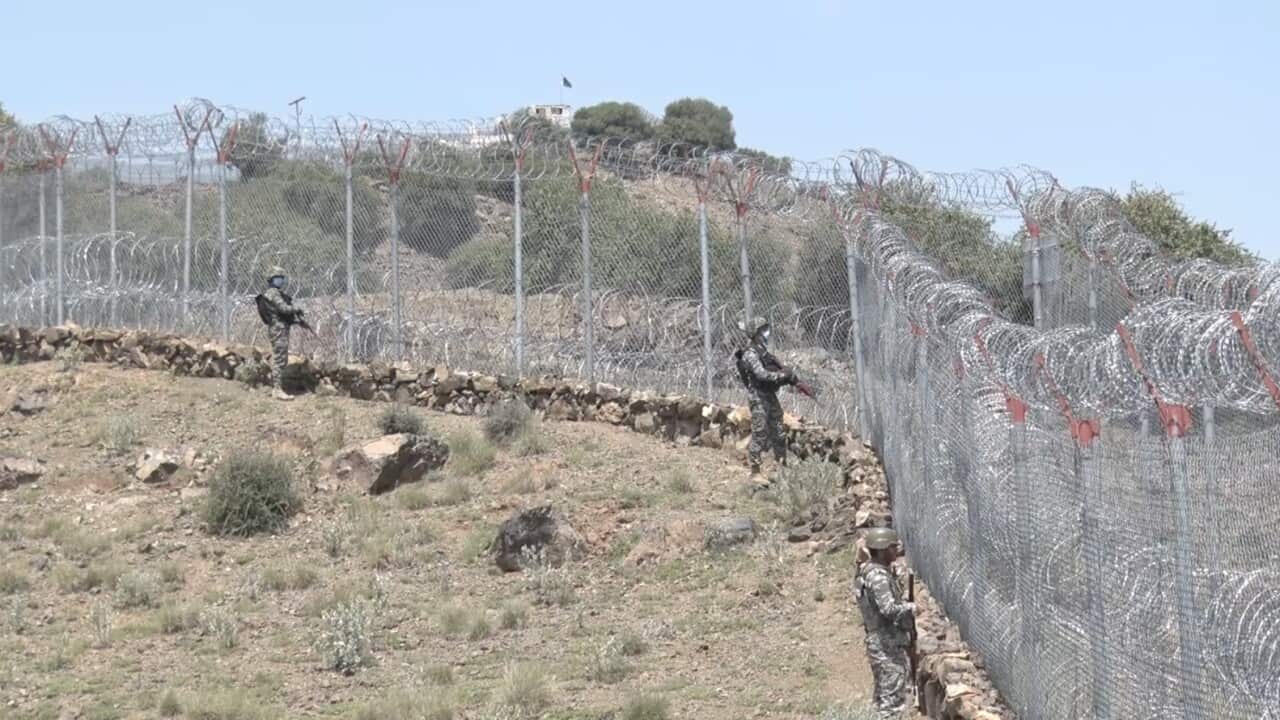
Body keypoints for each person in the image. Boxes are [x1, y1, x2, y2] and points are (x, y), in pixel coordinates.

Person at [854, 526, 917, 719]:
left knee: (883, 697)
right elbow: (888, 609)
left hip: (881, 642)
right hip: (886, 644)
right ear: (881, 550)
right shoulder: (878, 577)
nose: (895, 551)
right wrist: (911, 608)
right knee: (892, 703)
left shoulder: (869, 571)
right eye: (891, 547)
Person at [735, 316, 795, 481]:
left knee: (779, 430)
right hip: (758, 397)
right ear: (756, 333)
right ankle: (755, 471)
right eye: (763, 330)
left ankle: (781, 466)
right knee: (760, 432)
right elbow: (761, 374)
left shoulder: (763, 352)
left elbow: (772, 367)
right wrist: (780, 376)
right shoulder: (750, 354)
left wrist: (787, 374)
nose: (766, 333)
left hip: (769, 394)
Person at [256, 266, 302, 401]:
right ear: (271, 279)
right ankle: (277, 389)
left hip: (279, 328)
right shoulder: (273, 293)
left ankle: (277, 387)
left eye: (282, 278)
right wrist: (296, 309)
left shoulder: (275, 293)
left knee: (281, 357)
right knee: (279, 358)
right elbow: (283, 308)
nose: (281, 280)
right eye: (278, 278)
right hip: (278, 328)